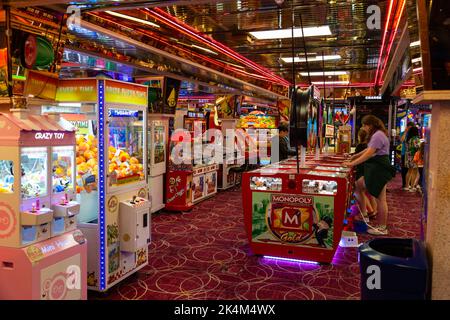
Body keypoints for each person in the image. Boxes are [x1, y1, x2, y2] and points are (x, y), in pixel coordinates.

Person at [344, 115, 395, 235]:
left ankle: (382, 227)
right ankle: (365, 215)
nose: (363, 128)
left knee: (381, 199)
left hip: (379, 168)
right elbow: (368, 150)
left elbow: (369, 154)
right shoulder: (378, 134)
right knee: (357, 186)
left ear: (370, 125)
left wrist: (352, 163)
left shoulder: (377, 135)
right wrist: (355, 156)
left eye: (364, 125)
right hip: (378, 166)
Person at [351, 128, 377, 219]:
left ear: (359, 136)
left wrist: (350, 159)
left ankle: (368, 212)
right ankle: (373, 211)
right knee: (370, 194)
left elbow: (356, 158)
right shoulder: (370, 146)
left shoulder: (360, 146)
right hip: (372, 171)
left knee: (358, 191)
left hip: (362, 171)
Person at [405, 126, 421, 192]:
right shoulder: (416, 139)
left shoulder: (408, 138)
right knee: (414, 171)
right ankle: (412, 187)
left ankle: (406, 186)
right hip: (414, 156)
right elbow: (418, 147)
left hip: (408, 155)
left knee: (409, 171)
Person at [400, 122, 415, 190]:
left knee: (411, 170)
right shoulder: (403, 133)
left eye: (411, 128)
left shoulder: (413, 134)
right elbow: (402, 140)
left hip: (411, 154)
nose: (410, 129)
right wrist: (405, 132)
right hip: (404, 153)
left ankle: (409, 184)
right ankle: (404, 184)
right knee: (404, 170)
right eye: (409, 127)